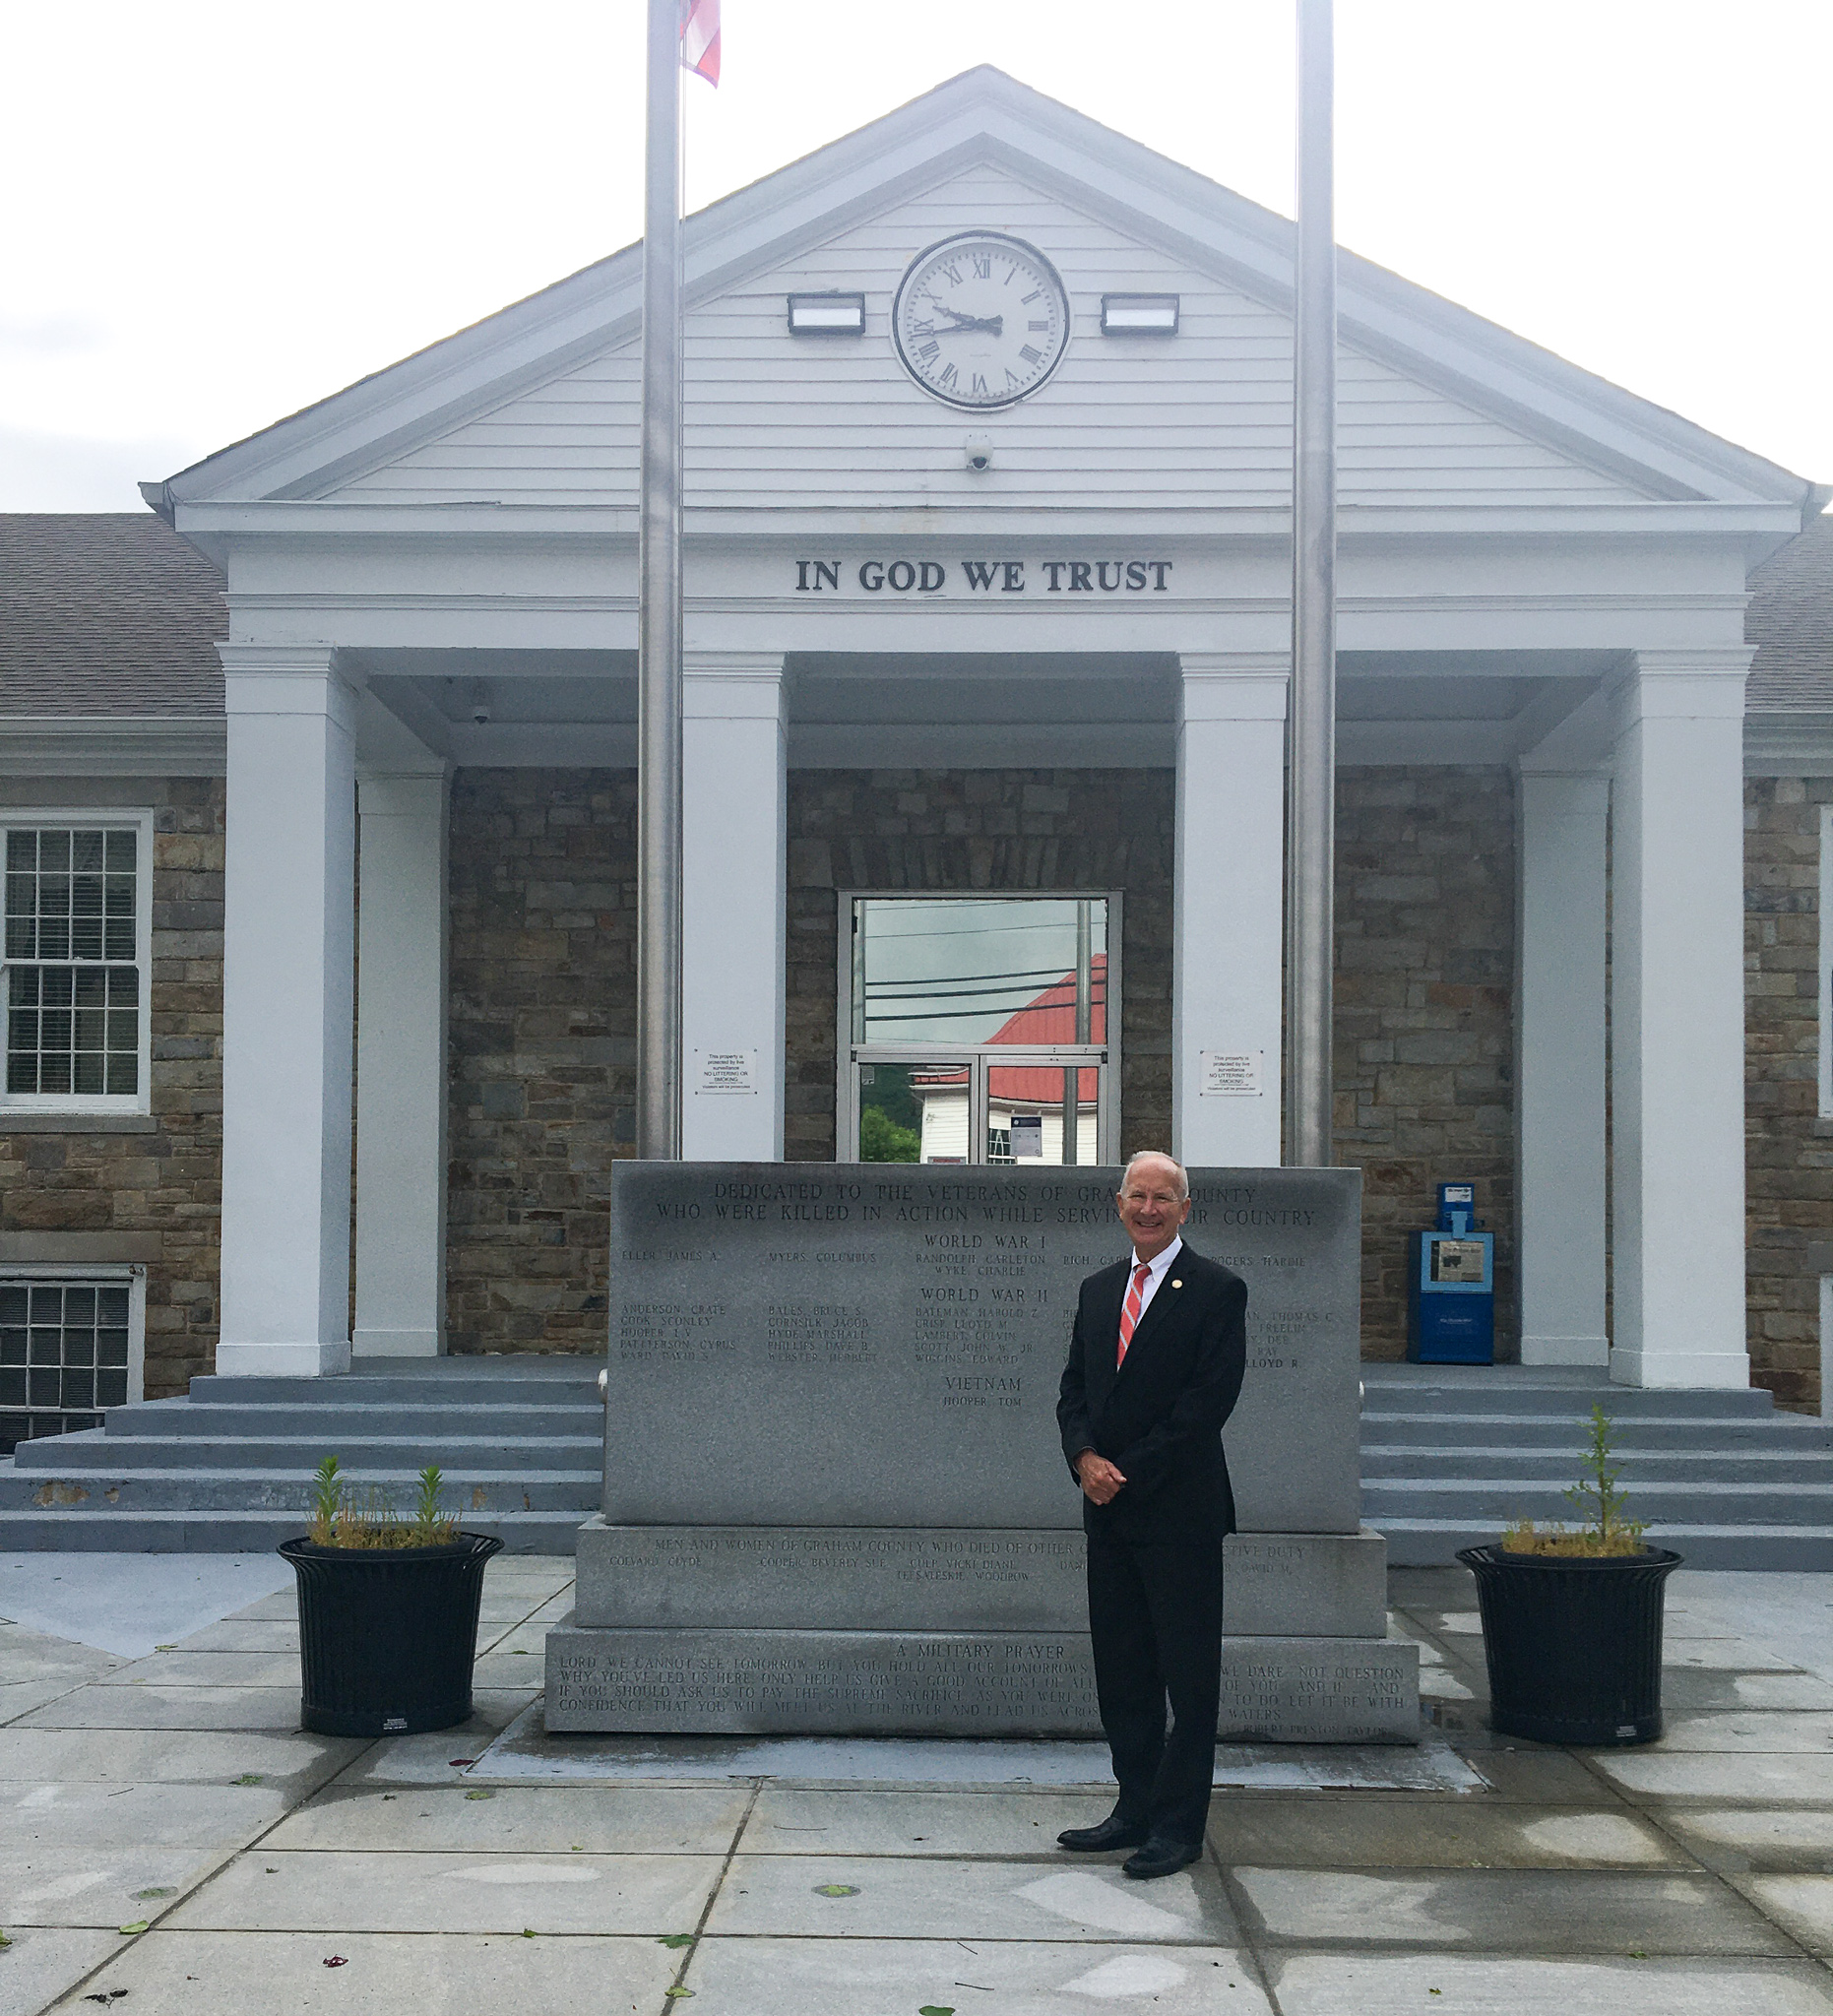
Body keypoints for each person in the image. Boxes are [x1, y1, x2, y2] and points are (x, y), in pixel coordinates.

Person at [1053, 1149, 1247, 1878]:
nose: (1149, 1208)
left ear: (1184, 1209)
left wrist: (1122, 1472)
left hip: (1180, 1515)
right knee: (1123, 1671)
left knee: (1187, 1677)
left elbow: (1206, 1407)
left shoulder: (1218, 1291)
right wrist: (1083, 1460)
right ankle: (1133, 1807)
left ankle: (1177, 1827)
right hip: (1107, 1516)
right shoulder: (1099, 1290)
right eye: (1138, 1195)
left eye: (1163, 1198)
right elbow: (1073, 1391)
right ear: (1119, 1203)